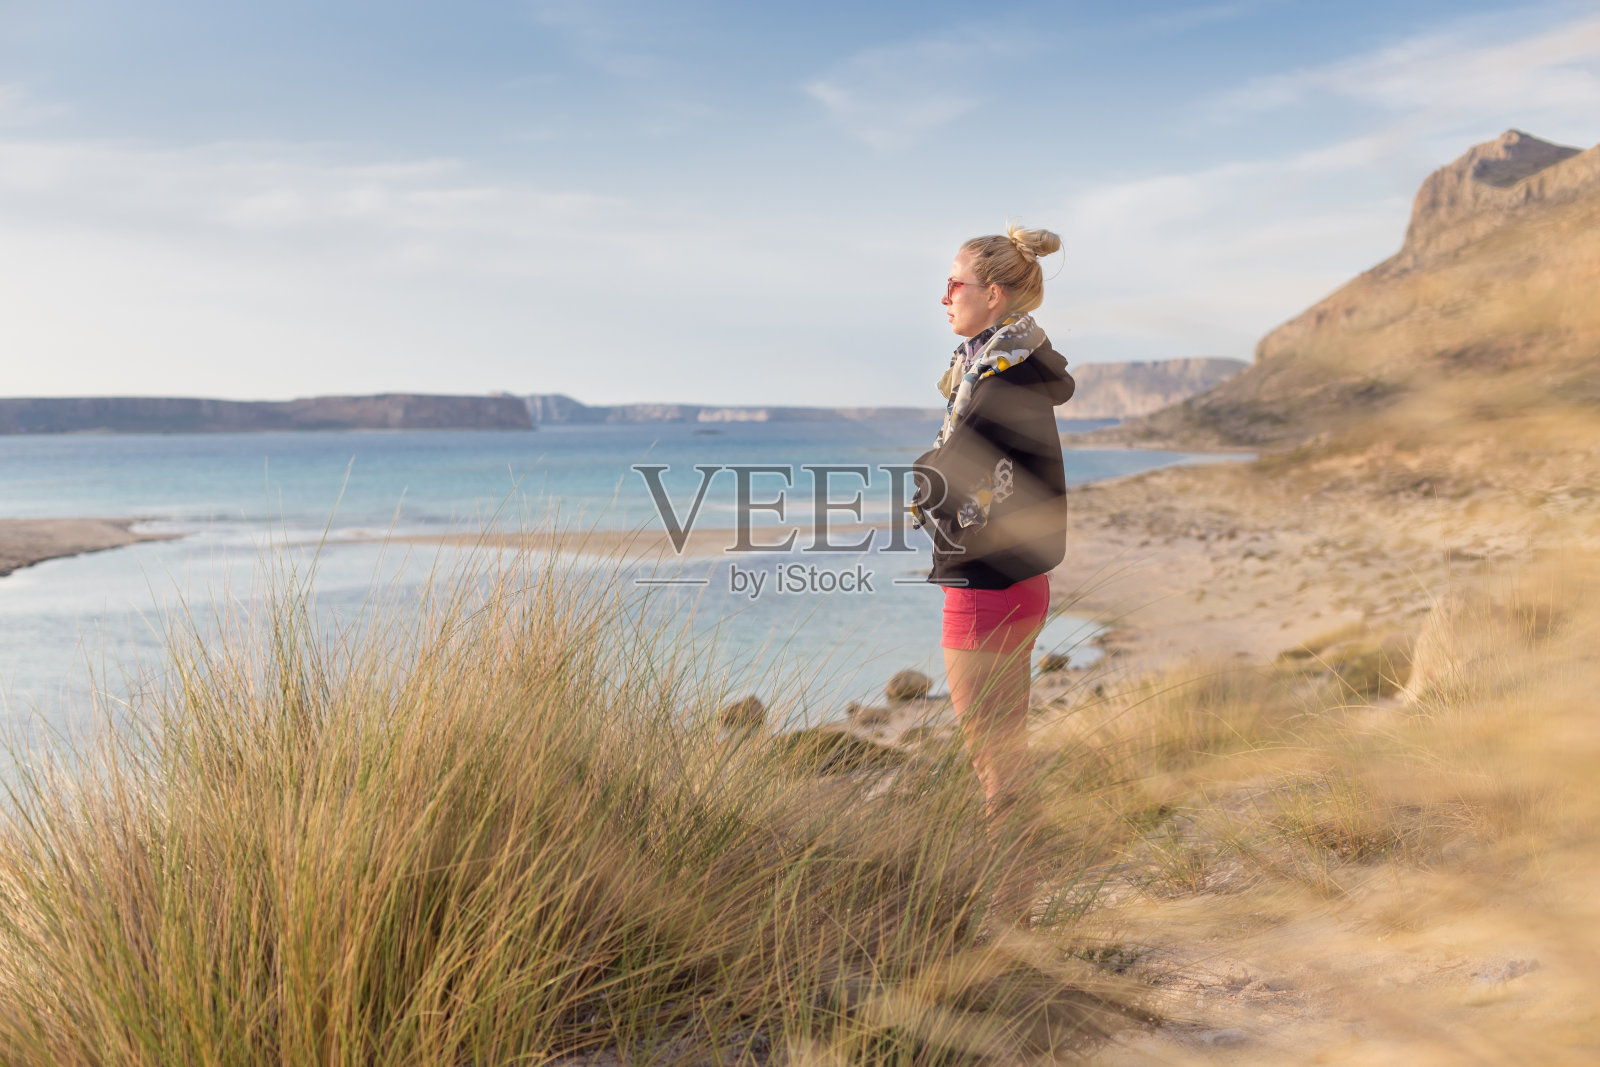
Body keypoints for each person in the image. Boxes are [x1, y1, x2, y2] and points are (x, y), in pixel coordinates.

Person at [911, 223, 1074, 917]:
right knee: (1007, 754)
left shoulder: (999, 380)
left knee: (994, 762)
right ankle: (1017, 904)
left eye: (956, 283)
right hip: (1018, 581)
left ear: (995, 294)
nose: (945, 295)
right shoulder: (1005, 366)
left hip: (986, 585)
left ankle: (1008, 913)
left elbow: (952, 481)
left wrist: (920, 479)